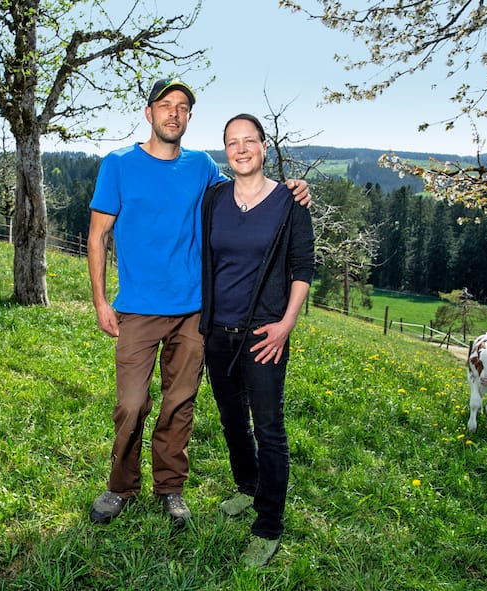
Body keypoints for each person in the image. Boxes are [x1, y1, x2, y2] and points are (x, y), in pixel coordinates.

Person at [87, 79, 309, 526]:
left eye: (183, 107)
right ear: (148, 113)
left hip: (194, 313)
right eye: (165, 105)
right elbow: (97, 236)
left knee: (180, 403)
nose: (174, 113)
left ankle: (170, 487)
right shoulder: (118, 165)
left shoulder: (202, 167)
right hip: (137, 309)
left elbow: (247, 189)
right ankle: (120, 486)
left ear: (189, 118)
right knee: (131, 404)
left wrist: (292, 189)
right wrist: (100, 301)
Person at [199, 113, 314, 567]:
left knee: (268, 428)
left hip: (266, 333)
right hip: (217, 332)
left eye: (250, 141)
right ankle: (248, 488)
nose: (241, 149)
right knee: (231, 420)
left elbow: (303, 268)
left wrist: (286, 325)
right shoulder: (213, 200)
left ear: (265, 147)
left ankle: (269, 526)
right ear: (225, 151)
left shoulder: (290, 202)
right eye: (232, 142)